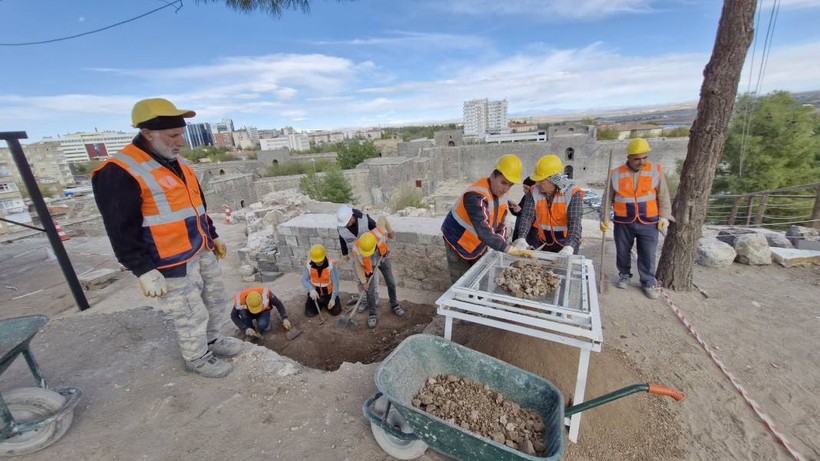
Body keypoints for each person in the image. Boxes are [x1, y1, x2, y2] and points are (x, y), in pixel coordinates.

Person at [91, 98, 242, 378]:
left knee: (215, 299)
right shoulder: (120, 171)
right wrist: (142, 269)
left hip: (200, 248)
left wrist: (213, 235)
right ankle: (197, 357)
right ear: (148, 133)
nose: (180, 141)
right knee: (188, 311)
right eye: (173, 135)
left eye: (181, 134)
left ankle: (212, 339)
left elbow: (197, 207)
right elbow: (120, 227)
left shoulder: (180, 165)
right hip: (169, 259)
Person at [440, 154, 534, 283]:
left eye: (510, 185)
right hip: (458, 238)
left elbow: (500, 222)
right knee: (461, 279)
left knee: (479, 274)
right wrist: (508, 249)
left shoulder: (502, 192)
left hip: (479, 240)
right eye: (503, 182)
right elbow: (483, 230)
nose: (506, 188)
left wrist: (501, 244)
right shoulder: (475, 195)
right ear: (493, 176)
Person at [600, 138, 673, 299]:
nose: (641, 162)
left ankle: (648, 281)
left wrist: (664, 217)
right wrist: (603, 218)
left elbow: (663, 196)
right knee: (622, 251)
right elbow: (607, 198)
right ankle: (624, 274)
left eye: (644, 158)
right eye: (637, 159)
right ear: (629, 158)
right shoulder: (616, 174)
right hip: (623, 220)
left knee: (648, 252)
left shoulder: (655, 171)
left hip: (649, 220)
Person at [512, 155, 584, 255]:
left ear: (554, 179)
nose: (537, 183)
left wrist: (569, 247)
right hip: (544, 243)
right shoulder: (533, 191)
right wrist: (522, 237)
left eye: (541, 180)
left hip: (567, 243)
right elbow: (527, 216)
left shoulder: (572, 193)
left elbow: (575, 222)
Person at [351, 218, 405, 329]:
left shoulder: (379, 232)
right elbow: (358, 266)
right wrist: (364, 281)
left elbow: (382, 218)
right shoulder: (356, 248)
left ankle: (394, 305)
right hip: (368, 265)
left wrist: (390, 231)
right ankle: (372, 314)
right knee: (369, 291)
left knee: (391, 282)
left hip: (382, 258)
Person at [336, 204, 395, 305]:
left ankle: (374, 297)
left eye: (348, 222)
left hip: (369, 252)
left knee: (373, 277)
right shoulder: (341, 227)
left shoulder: (365, 219)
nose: (346, 225)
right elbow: (342, 239)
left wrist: (387, 237)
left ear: (352, 217)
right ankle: (363, 299)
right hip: (355, 253)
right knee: (359, 278)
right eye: (344, 224)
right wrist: (344, 253)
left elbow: (377, 232)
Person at [301, 244, 342, 317]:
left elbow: (336, 283)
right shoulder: (308, 265)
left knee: (336, 311)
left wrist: (333, 298)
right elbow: (304, 280)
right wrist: (311, 290)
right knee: (309, 313)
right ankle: (319, 304)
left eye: (320, 261)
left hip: (328, 294)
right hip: (315, 294)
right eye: (316, 261)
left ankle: (327, 302)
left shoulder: (330, 265)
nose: (318, 263)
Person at [510, 177, 536, 241]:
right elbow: (519, 210)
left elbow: (534, 217)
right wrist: (513, 207)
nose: (524, 190)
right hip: (519, 231)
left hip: (531, 235)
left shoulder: (538, 199)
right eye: (523, 187)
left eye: (526, 188)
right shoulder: (525, 197)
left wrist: (520, 211)